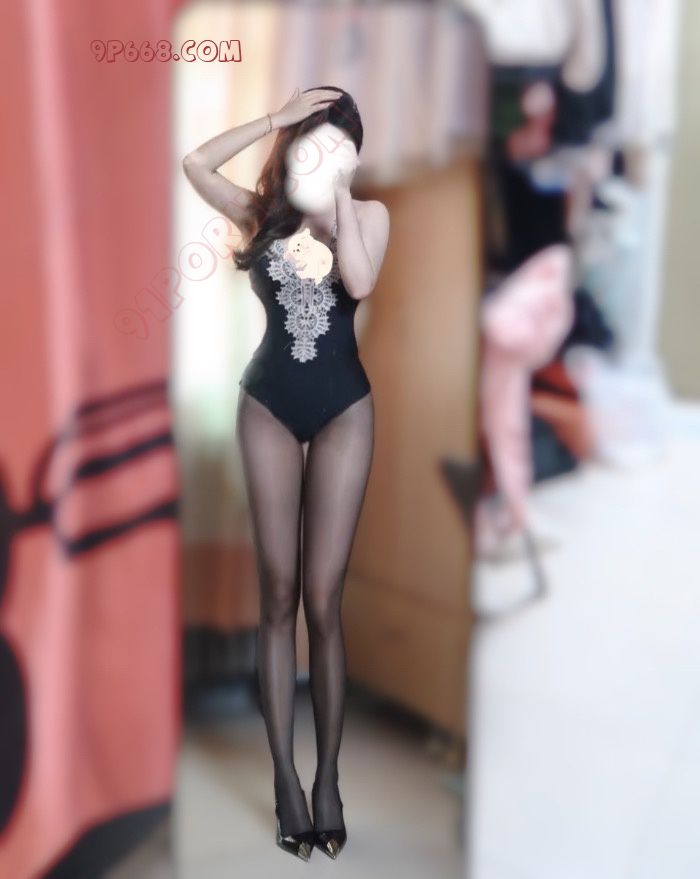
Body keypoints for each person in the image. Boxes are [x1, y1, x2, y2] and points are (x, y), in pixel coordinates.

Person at [182, 86, 390, 861]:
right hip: (267, 402)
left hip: (344, 409)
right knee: (277, 595)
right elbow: (195, 163)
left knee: (323, 600)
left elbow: (359, 282)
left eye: (339, 146)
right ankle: (285, 781)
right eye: (313, 143)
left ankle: (328, 778)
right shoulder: (261, 216)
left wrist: (336, 197)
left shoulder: (368, 215)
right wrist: (274, 118)